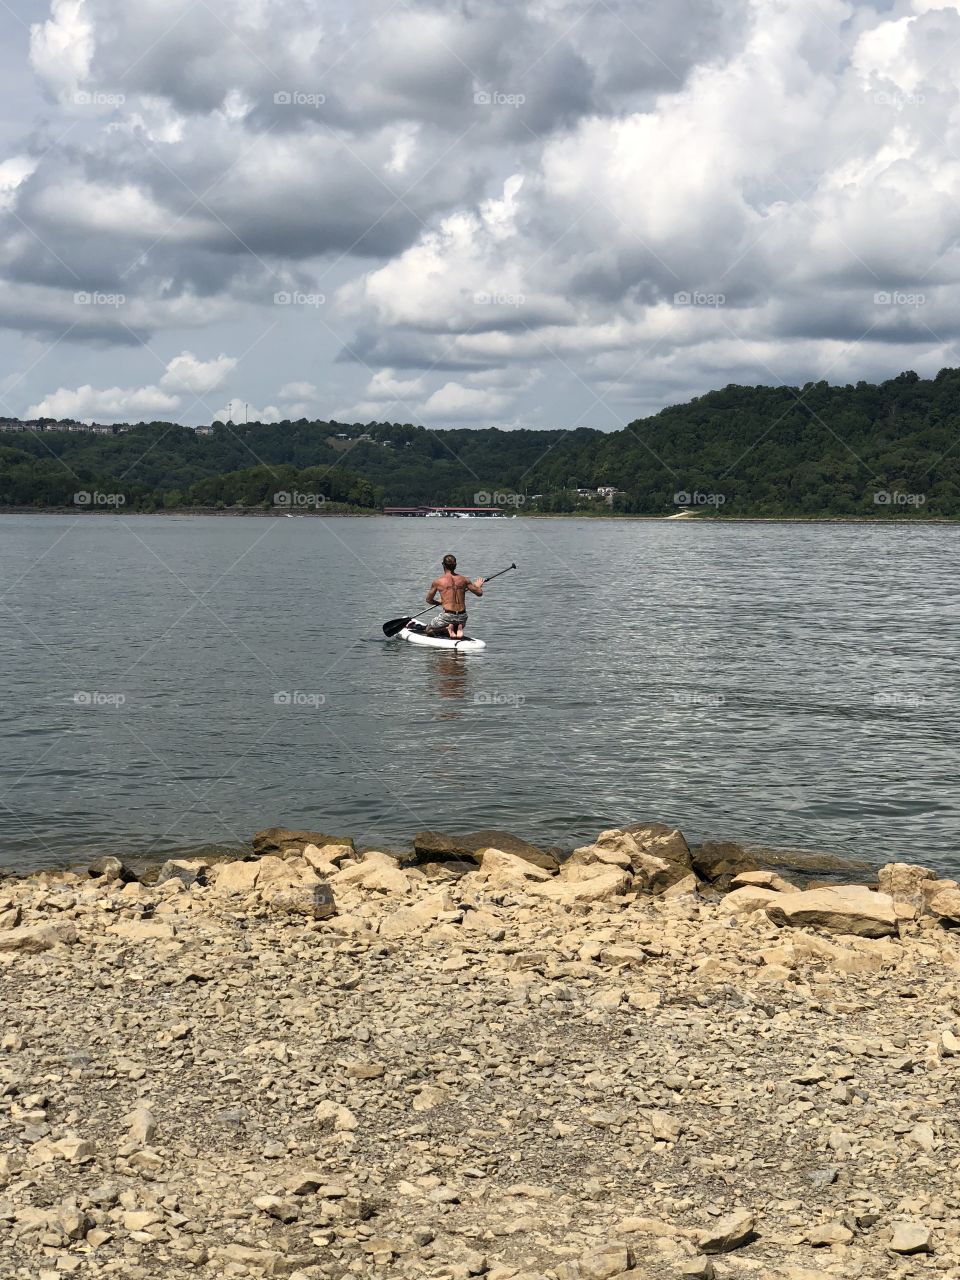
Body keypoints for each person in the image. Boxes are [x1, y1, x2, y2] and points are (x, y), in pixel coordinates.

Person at [426, 554, 484, 639]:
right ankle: (458, 628)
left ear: (443, 565)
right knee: (458, 621)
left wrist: (439, 602)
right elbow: (479, 593)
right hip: (462, 617)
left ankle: (447, 628)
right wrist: (478, 586)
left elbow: (428, 600)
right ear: (455, 565)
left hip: (448, 617)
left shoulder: (438, 582)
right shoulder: (464, 580)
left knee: (428, 629)